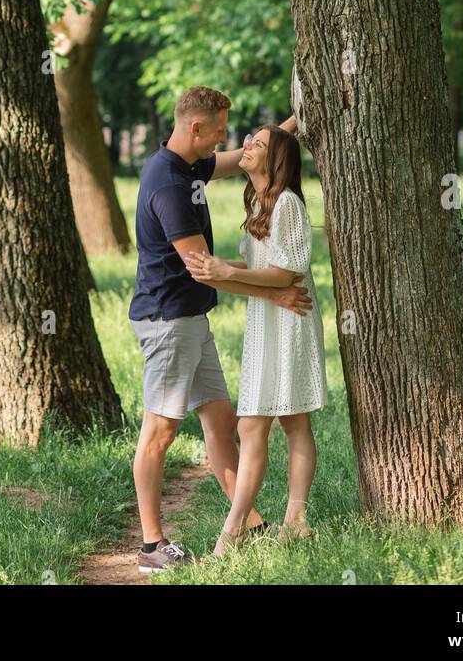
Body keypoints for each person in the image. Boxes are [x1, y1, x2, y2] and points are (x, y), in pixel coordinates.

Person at [128, 86, 312, 574]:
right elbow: (202, 268)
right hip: (169, 319)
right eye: (220, 132)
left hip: (190, 319)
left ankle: (247, 525)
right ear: (196, 129)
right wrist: (272, 292)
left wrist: (295, 122)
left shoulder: (189, 165)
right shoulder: (167, 182)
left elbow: (244, 160)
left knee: (220, 417)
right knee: (160, 431)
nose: (225, 141)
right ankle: (151, 546)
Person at [185, 123, 327, 559]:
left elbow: (288, 272)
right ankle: (245, 527)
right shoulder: (260, 204)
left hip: (290, 318)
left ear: (275, 159)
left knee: (291, 420)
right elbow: (255, 264)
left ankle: (283, 522)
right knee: (252, 424)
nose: (245, 146)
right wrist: (216, 265)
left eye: (257, 144)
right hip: (265, 320)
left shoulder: (287, 204)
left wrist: (228, 273)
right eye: (247, 140)